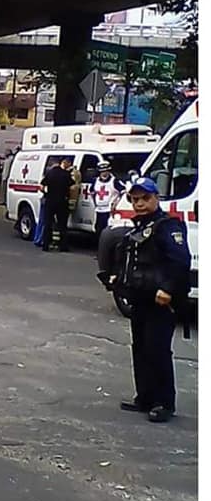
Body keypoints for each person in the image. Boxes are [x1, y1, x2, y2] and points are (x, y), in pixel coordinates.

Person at [100, 177, 191, 423]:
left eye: (145, 198)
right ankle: (146, 397)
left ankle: (164, 403)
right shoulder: (138, 228)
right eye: (135, 199)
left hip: (161, 301)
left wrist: (168, 289)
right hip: (140, 299)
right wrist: (116, 276)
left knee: (158, 350)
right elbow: (132, 260)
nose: (139, 203)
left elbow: (180, 261)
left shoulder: (168, 226)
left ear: (156, 198)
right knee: (140, 349)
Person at [41, 157, 73, 252]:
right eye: (69, 163)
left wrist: (46, 194)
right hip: (62, 202)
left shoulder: (50, 173)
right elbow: (72, 186)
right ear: (65, 163)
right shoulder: (66, 174)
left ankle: (45, 245)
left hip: (50, 201)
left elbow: (42, 186)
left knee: (48, 224)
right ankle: (63, 246)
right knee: (62, 225)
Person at [88, 160, 125, 240]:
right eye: (102, 172)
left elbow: (123, 191)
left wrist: (116, 203)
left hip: (109, 210)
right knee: (98, 230)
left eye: (106, 171)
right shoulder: (95, 181)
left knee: (107, 231)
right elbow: (91, 192)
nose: (104, 173)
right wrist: (94, 202)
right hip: (99, 209)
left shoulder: (114, 181)